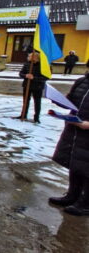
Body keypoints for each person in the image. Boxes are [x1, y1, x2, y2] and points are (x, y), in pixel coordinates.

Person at [50, 61, 89, 216]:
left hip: (86, 129)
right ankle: (72, 195)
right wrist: (59, 100)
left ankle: (86, 203)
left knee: (87, 168)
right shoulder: (82, 81)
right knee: (76, 164)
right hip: (75, 130)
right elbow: (72, 102)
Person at [17, 52, 48, 123]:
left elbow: (45, 77)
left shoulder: (43, 65)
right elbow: (21, 73)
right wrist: (25, 75)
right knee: (25, 101)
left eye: (32, 56)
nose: (30, 58)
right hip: (27, 85)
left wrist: (34, 78)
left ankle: (36, 117)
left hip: (38, 86)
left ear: (37, 57)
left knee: (37, 102)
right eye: (30, 56)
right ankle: (23, 115)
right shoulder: (27, 64)